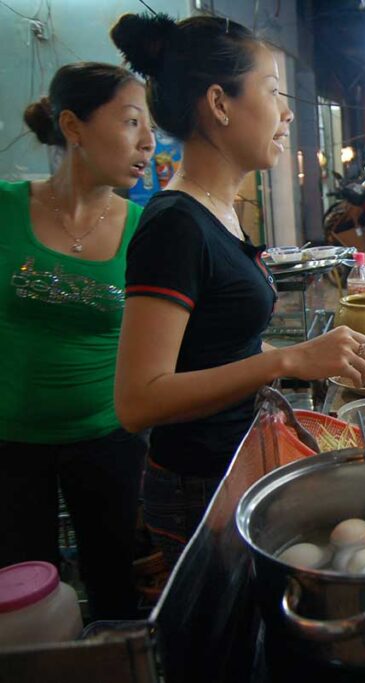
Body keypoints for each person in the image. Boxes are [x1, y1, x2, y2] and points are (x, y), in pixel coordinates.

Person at [110, 13, 365, 566]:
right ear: (219, 103)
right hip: (199, 488)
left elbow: (215, 347)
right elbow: (139, 401)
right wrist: (291, 360)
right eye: (272, 91)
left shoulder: (219, 214)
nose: (285, 114)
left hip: (236, 463)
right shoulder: (174, 225)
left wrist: (297, 357)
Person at [0, 63, 155, 618]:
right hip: (10, 441)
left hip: (107, 437)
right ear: (73, 125)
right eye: (131, 122)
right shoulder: (5, 207)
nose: (147, 144)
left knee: (114, 586)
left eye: (151, 128)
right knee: (20, 594)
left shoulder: (143, 227)